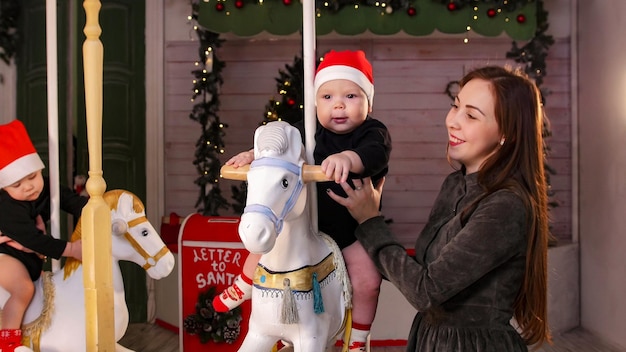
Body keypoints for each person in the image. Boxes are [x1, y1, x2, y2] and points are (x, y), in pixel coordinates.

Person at [328, 65, 552, 351]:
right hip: (431, 339)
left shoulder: (506, 205)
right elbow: (418, 271)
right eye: (455, 106)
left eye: (471, 115)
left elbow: (425, 291)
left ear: (506, 133)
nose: (453, 121)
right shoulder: (455, 184)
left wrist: (370, 221)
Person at [214, 50, 392, 351]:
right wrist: (253, 154)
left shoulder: (372, 133)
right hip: (307, 224)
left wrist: (349, 158)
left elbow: (375, 155)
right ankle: (243, 286)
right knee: (263, 246)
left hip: (350, 230)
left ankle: (358, 337)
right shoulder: (308, 132)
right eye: (326, 97)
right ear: (314, 103)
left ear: (369, 103)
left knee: (367, 279)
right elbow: (278, 147)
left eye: (350, 95)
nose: (338, 104)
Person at [0, 120, 87, 352]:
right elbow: (32, 238)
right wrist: (71, 249)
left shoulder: (46, 187)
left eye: (33, 177)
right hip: (4, 254)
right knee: (23, 289)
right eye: (17, 184)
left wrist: (91, 208)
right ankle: (7, 344)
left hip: (28, 257)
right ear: (5, 188)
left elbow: (71, 200)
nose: (29, 187)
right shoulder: (7, 207)